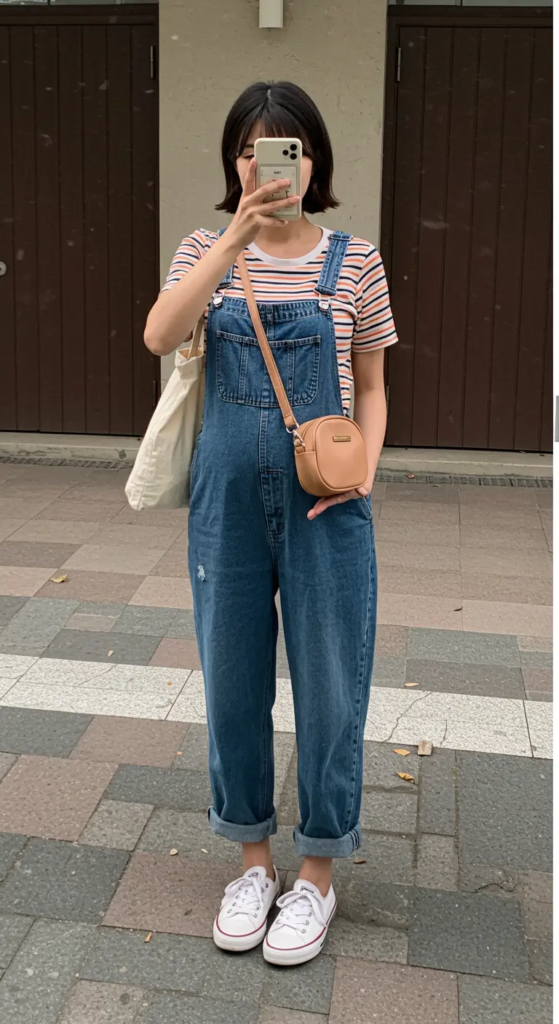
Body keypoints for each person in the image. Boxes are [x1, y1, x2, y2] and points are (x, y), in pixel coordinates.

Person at [144, 81, 398, 967]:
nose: (270, 165)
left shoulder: (355, 261)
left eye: (288, 148)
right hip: (225, 500)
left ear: (314, 160)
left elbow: (372, 385)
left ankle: (317, 872)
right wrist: (235, 240)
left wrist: (363, 472)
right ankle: (252, 863)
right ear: (234, 162)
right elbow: (159, 335)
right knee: (231, 681)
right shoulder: (202, 249)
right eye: (252, 150)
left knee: (331, 686)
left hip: (327, 502)